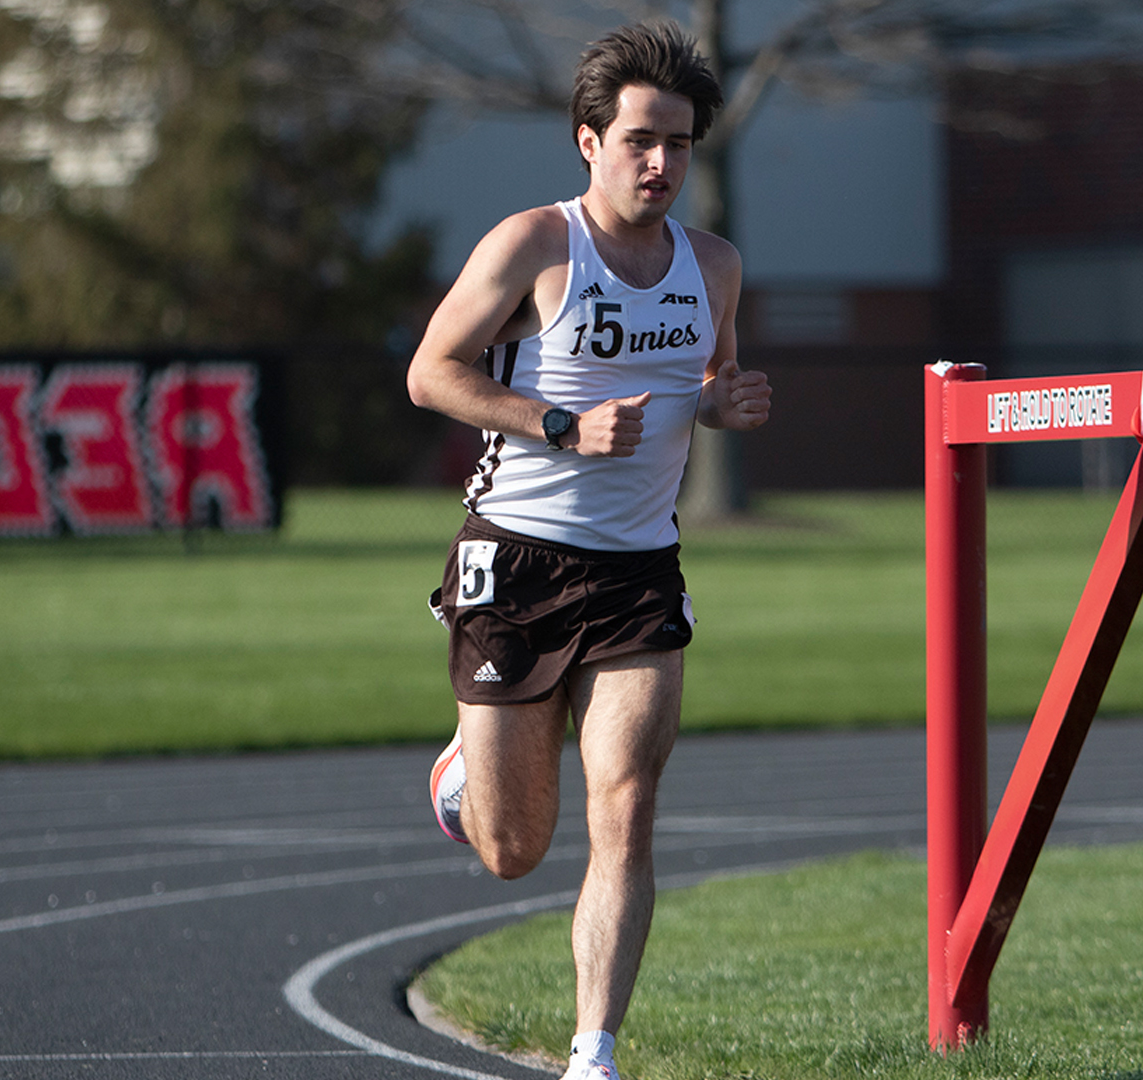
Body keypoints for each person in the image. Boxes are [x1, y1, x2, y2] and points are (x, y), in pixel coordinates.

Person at [404, 20, 771, 1080]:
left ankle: (593, 1055)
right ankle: (465, 773)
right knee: (513, 851)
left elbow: (708, 386)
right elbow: (430, 372)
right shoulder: (534, 245)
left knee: (627, 806)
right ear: (590, 142)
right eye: (640, 140)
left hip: (639, 573)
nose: (661, 163)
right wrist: (559, 424)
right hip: (516, 564)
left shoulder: (714, 265)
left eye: (679, 144)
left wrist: (725, 406)